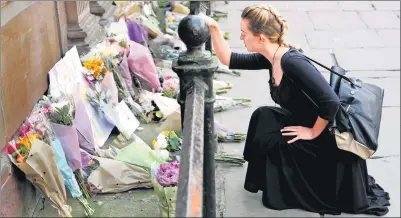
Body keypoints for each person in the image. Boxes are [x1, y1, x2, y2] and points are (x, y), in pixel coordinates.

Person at [201, 4, 390, 216]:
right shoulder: (270, 57)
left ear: (261, 37)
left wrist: (312, 132)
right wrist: (214, 29)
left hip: (326, 136)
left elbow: (331, 102)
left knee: (276, 137)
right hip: (305, 118)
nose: (242, 38)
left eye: (244, 34)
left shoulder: (292, 61)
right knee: (263, 117)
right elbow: (228, 59)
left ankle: (288, 189)